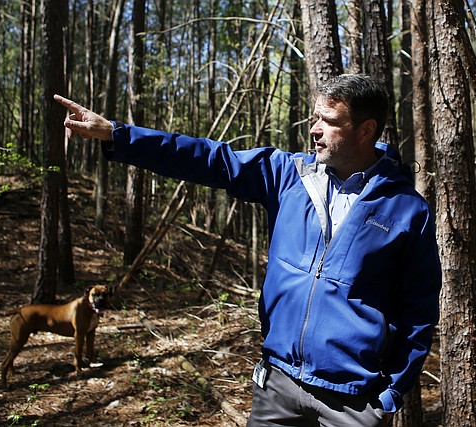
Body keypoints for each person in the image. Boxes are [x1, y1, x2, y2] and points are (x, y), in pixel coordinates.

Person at [55, 74, 442, 426]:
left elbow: (418, 312)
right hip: (277, 386)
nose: (314, 131)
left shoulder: (406, 210)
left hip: (352, 402)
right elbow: (208, 159)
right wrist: (116, 135)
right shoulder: (289, 175)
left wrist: (389, 392)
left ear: (366, 130)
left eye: (328, 121)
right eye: (314, 118)